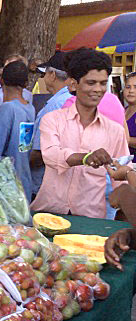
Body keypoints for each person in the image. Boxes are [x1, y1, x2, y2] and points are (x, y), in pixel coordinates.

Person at [30, 48, 130, 219]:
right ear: (74, 84)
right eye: (91, 83)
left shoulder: (115, 131)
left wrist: (121, 199)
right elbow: (51, 155)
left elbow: (120, 174)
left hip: (91, 218)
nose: (98, 89)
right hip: (49, 212)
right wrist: (85, 158)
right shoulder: (52, 120)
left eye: (102, 83)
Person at [0, 60, 35, 201]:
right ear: (25, 84)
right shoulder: (30, 108)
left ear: (2, 81)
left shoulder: (8, 109)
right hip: (24, 184)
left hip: (6, 190)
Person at [29, 51, 72, 198]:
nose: (44, 78)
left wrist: (19, 166)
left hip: (44, 185)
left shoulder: (54, 106)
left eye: (44, 74)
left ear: (52, 75)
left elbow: (41, 153)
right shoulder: (70, 99)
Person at [124, 71, 136, 156]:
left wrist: (121, 138)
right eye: (128, 87)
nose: (131, 91)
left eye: (135, 87)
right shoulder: (123, 110)